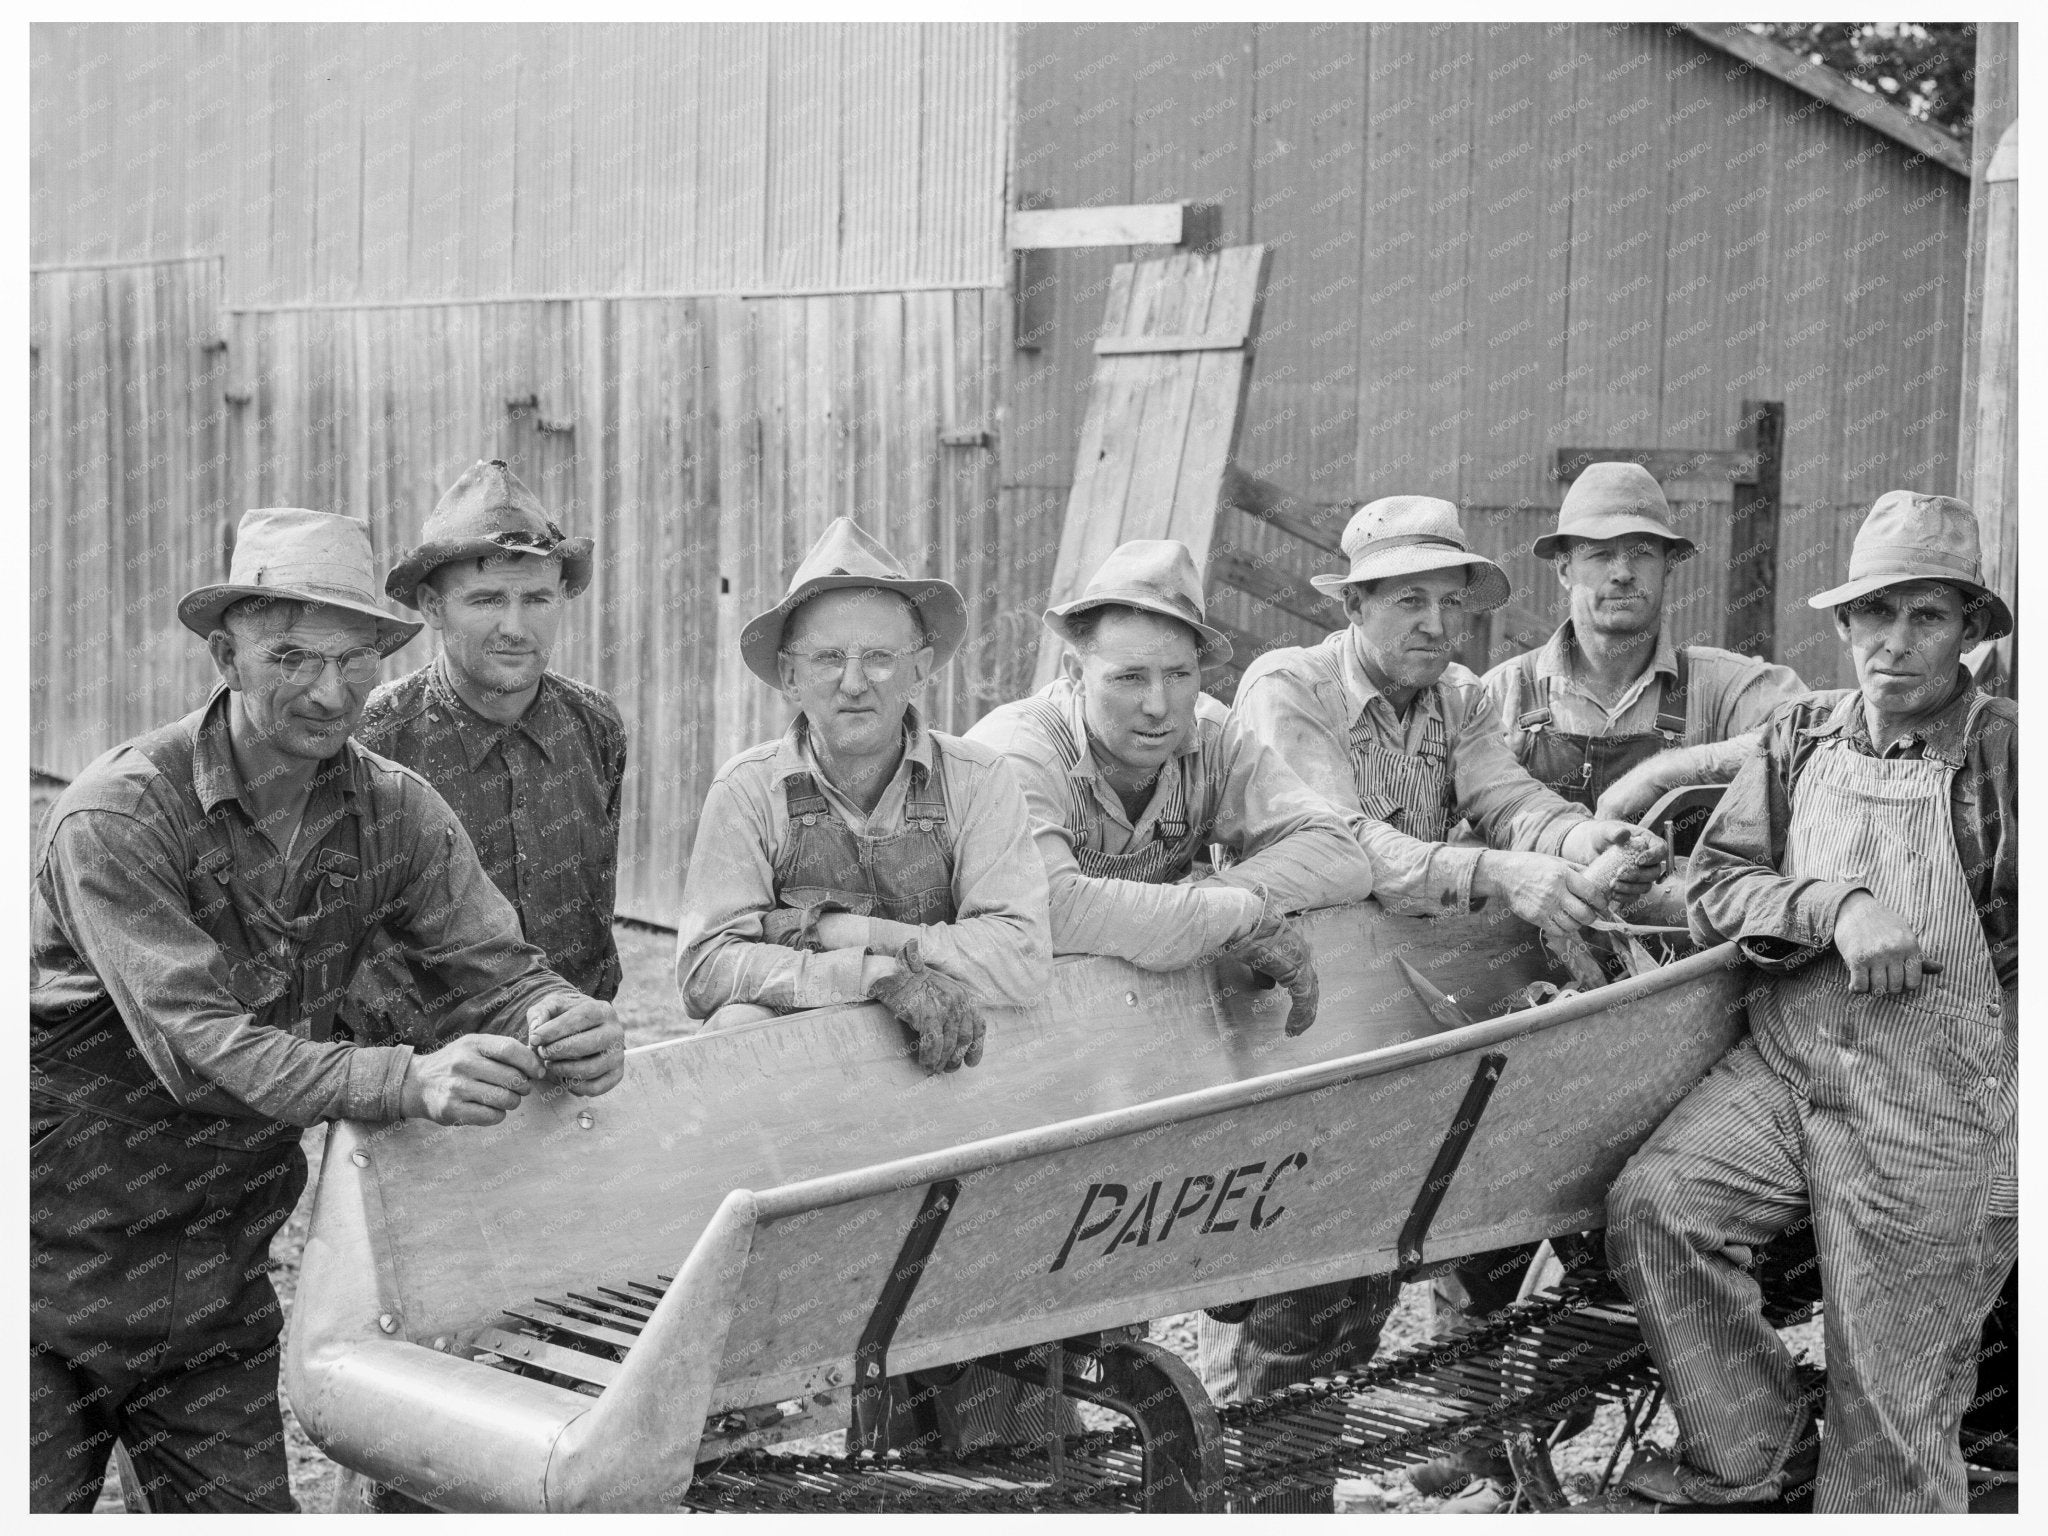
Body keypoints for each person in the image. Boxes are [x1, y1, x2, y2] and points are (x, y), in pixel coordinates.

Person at [30, 509, 625, 1514]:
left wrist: (563, 1020)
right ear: (225, 654)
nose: (326, 689)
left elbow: (497, 971)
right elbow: (201, 1050)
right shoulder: (121, 813)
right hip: (41, 1279)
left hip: (212, 1287)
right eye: (291, 656)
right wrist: (408, 1077)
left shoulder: (393, 811)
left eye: (353, 661)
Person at [1230, 494, 1664, 1511]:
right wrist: (1499, 877)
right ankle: (1264, 1500)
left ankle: (1468, 1443)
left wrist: (1583, 841)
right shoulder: (1285, 689)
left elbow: (1508, 798)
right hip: (1295, 1014)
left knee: (1495, 1213)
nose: (1434, 623)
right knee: (1324, 1263)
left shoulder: (1458, 698)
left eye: (1449, 601)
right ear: (1355, 605)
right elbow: (1339, 848)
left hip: (1409, 1005)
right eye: (1408, 601)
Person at [1604, 491, 2016, 1513]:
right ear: (1840, 626)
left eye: (1924, 617)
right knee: (1658, 1207)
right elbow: (1712, 887)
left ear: (1966, 632)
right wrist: (1835, 902)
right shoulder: (1797, 738)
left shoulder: (2006, 754)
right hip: (1789, 1071)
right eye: (1873, 616)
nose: (1893, 643)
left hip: (1939, 1108)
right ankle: (1753, 1455)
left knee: (1886, 1421)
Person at [674, 517, 1053, 1453]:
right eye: (829, 658)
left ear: (922, 669)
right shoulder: (751, 791)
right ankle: (741, 1415)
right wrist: (872, 974)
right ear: (789, 675)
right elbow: (706, 964)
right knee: (732, 1029)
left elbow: (1018, 956)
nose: (855, 682)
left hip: (955, 1094)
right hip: (806, 1121)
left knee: (976, 1337)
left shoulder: (978, 781)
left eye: (880, 658)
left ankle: (993, 1458)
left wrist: (857, 931)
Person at [967, 538, 1371, 1027]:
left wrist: (1217, 904)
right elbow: (1049, 908)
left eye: (1178, 675)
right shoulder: (1017, 751)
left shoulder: (1211, 738)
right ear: (1077, 673)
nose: (1158, 706)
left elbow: (1340, 854)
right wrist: (1227, 917)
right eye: (1130, 678)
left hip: (1135, 1021)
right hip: (1007, 1026)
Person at [342, 459, 626, 1045]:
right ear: (433, 606)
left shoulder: (594, 726)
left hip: (570, 1055)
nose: (516, 627)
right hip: (426, 1075)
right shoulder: (372, 738)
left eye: (538, 599)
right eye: (488, 599)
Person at [1482, 461, 1806, 822]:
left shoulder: (1718, 688)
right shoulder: (1503, 693)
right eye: (1600, 554)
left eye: (1641, 553)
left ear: (1668, 566)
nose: (1622, 573)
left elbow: (1809, 737)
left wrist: (1663, 772)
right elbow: (1463, 836)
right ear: (1564, 570)